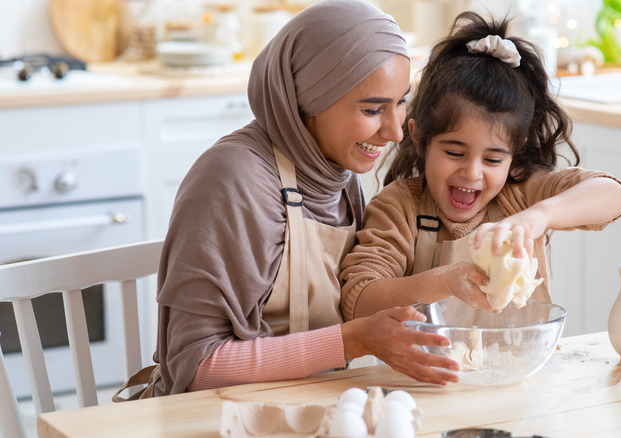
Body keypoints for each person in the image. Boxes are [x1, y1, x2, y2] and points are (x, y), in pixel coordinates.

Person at [151, 0, 461, 396]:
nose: (395, 132)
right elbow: (192, 368)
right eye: (372, 109)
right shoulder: (232, 180)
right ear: (307, 101)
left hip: (310, 406)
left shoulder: (338, 173)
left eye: (401, 102)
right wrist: (353, 340)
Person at [340, 12, 621, 321]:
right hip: (419, 369)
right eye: (454, 152)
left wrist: (538, 216)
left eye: (493, 159)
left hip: (520, 366)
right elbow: (358, 300)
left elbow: (614, 195)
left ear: (514, 155)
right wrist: (444, 282)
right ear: (420, 138)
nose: (472, 173)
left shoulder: (519, 193)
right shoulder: (400, 207)